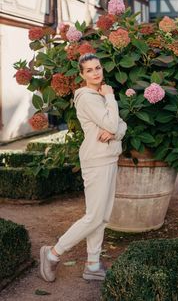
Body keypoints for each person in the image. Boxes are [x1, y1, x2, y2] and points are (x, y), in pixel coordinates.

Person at [39, 53, 127, 282]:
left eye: (97, 67)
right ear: (81, 74)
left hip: (109, 157)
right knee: (93, 217)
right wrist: (111, 99)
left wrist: (116, 130)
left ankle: (93, 264)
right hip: (97, 160)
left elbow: (120, 124)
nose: (96, 72)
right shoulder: (89, 97)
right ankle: (53, 253)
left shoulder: (99, 95)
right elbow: (111, 122)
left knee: (102, 216)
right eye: (89, 70)